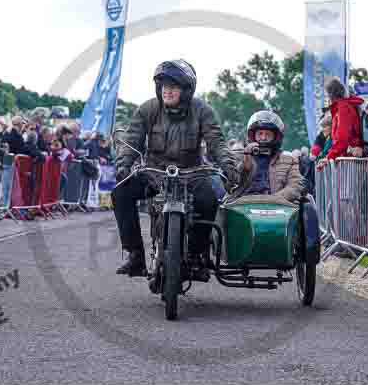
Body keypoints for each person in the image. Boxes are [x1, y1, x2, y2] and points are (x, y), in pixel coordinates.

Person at [112, 59, 238, 279]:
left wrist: (228, 165)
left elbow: (217, 141)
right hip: (155, 173)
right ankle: (135, 255)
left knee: (208, 201)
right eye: (164, 86)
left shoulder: (202, 110)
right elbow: (132, 139)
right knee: (120, 192)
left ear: (187, 89)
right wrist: (123, 165)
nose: (167, 91)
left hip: (192, 173)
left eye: (173, 86)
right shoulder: (148, 109)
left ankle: (198, 255)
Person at [229, 110, 305, 204]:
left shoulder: (289, 159)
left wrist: (273, 199)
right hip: (244, 205)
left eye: (267, 134)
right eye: (260, 134)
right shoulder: (240, 156)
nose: (263, 138)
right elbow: (230, 184)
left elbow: (296, 185)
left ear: (276, 137)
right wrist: (245, 164)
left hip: (277, 206)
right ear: (253, 135)